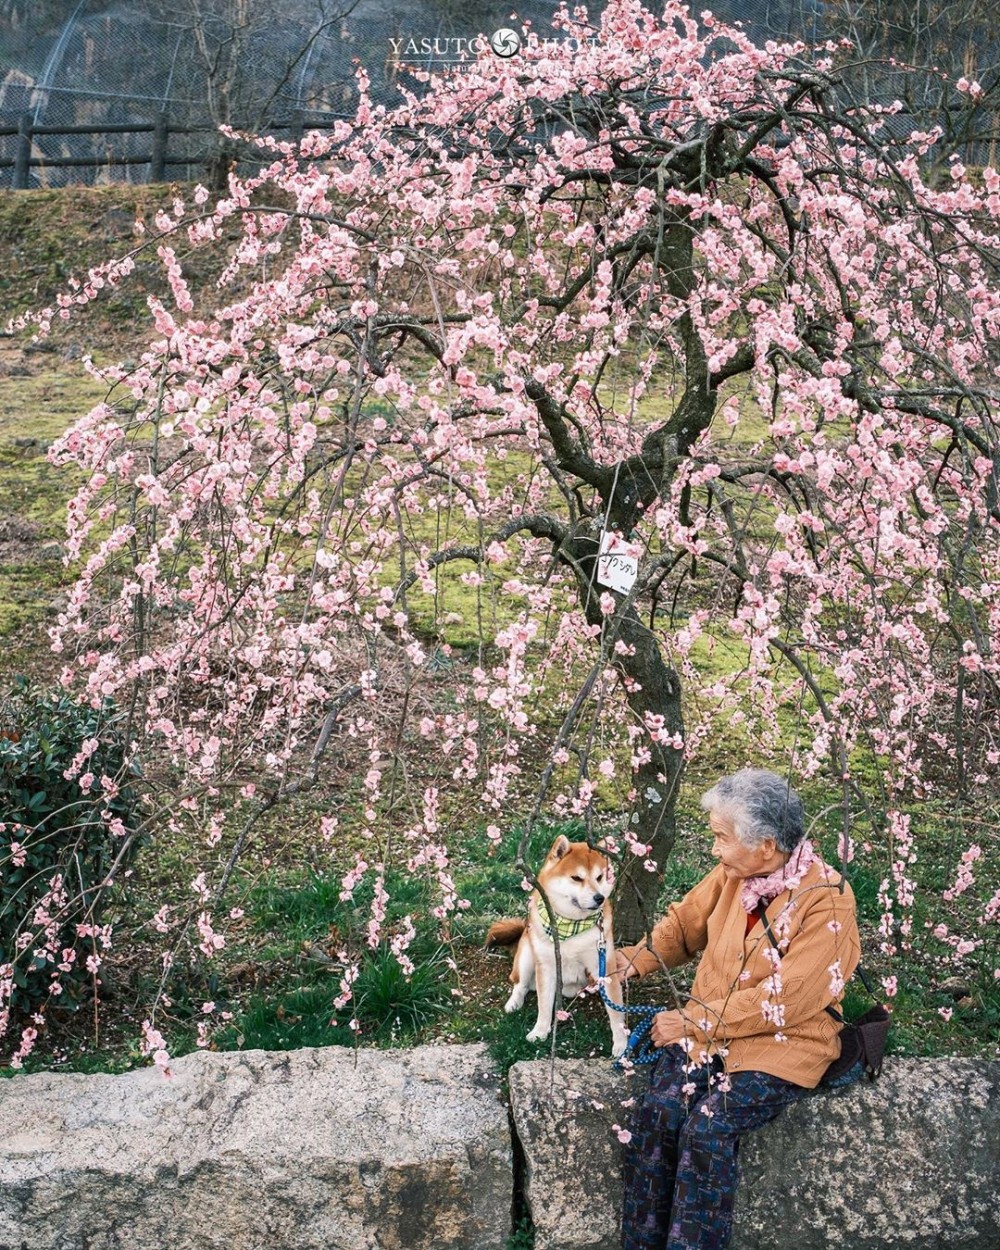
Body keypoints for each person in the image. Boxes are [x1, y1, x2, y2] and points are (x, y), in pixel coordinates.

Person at [615, 768, 860, 1250]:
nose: (714, 849)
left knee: (709, 1125)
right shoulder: (735, 873)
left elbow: (789, 999)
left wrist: (695, 1020)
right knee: (659, 1112)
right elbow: (685, 925)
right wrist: (630, 963)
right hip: (708, 1031)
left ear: (766, 845)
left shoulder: (829, 900)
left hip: (784, 1042)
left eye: (721, 838)